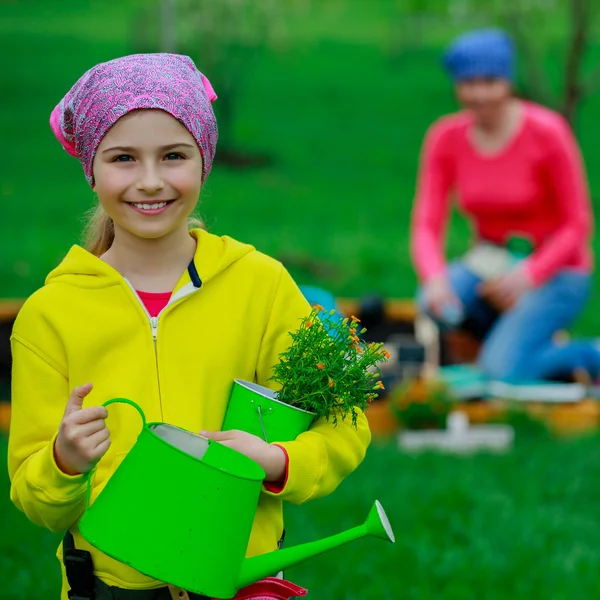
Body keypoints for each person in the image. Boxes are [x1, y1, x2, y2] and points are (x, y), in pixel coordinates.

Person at [7, 53, 371, 600]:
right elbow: (34, 498)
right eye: (123, 158)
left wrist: (279, 460)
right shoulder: (50, 314)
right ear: (92, 169)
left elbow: (346, 421)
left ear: (204, 161)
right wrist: (63, 461)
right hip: (106, 588)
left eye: (173, 155)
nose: (150, 182)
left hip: (239, 586)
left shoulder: (262, 286)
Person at [410, 28, 600, 383]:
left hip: (557, 270)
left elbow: (578, 223)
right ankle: (509, 338)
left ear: (508, 81)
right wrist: (435, 278)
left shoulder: (548, 132)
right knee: (428, 302)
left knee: (501, 372)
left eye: (490, 80)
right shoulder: (446, 138)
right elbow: (426, 223)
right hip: (491, 264)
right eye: (468, 82)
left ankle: (587, 355)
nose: (479, 93)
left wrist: (530, 275)